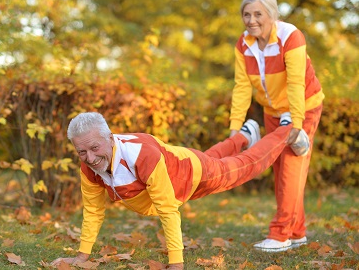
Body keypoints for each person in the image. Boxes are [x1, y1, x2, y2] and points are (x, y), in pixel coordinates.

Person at [52, 111, 308, 269]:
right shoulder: (89, 167)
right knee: (216, 157)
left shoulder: (140, 155)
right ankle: (243, 136)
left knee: (247, 165)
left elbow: (167, 209)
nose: (90, 157)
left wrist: (176, 263)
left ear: (110, 137)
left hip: (196, 174)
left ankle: (288, 130)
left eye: (95, 148)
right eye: (81, 152)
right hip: (179, 166)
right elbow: (93, 211)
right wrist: (81, 257)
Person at [228, 0, 324, 252]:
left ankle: (280, 234)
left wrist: (295, 124)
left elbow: (295, 83)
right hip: (273, 112)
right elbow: (241, 87)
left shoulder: (291, 37)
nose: (251, 20)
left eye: (258, 14)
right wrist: (235, 128)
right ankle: (297, 231)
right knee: (281, 171)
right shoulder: (243, 44)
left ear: (271, 14)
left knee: (292, 169)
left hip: (303, 107)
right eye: (246, 14)